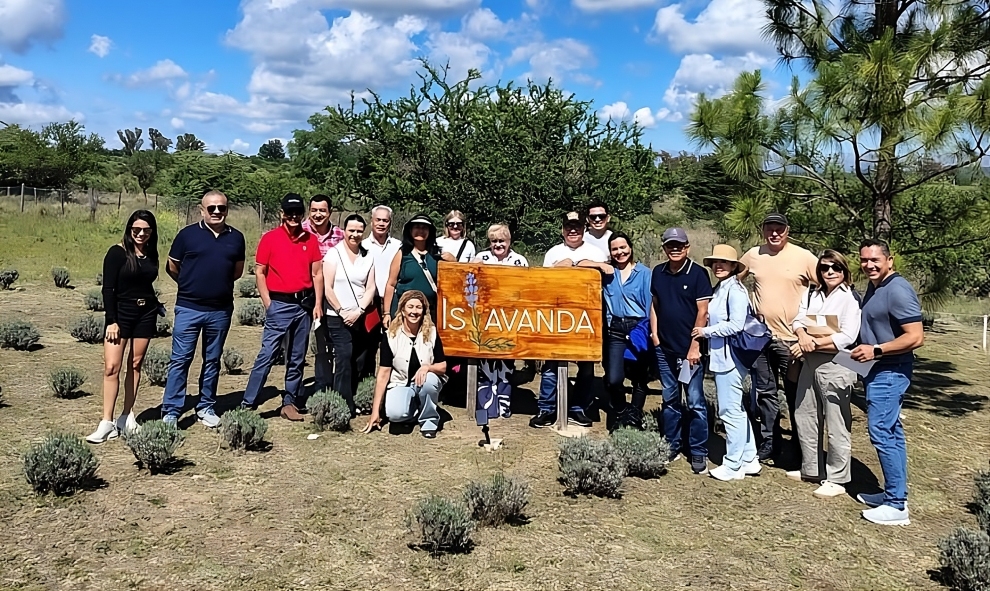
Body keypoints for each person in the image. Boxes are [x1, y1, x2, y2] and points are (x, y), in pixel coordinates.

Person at [851, 239, 924, 526]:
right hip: (877, 369)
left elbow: (915, 337)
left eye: (875, 260)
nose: (869, 265)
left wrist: (877, 350)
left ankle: (896, 506)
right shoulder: (875, 286)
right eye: (864, 260)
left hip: (890, 371)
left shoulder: (897, 289)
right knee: (891, 431)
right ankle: (894, 493)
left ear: (889, 260)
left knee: (881, 431)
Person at [161, 190, 246, 428]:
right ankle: (171, 410)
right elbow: (172, 266)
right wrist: (190, 285)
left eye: (222, 208)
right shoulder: (187, 235)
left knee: (212, 360)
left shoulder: (236, 238)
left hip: (220, 311)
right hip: (189, 309)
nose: (217, 211)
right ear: (202, 210)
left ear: (227, 210)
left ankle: (206, 406)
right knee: (180, 360)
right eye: (211, 208)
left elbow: (237, 271)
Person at [739, 212, 819, 463]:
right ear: (763, 230)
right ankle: (770, 442)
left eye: (779, 229)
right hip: (760, 339)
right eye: (769, 228)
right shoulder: (754, 255)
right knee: (766, 392)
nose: (774, 233)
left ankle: (800, 445)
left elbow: (827, 287)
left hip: (793, 341)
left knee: (797, 394)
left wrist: (810, 330)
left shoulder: (804, 257)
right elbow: (733, 278)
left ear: (787, 230)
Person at [241, 193, 324, 421]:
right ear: (282, 214)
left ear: (303, 215)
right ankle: (248, 403)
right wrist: (268, 303)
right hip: (279, 304)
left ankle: (289, 402)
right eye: (289, 213)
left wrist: (317, 303)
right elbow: (260, 272)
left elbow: (317, 273)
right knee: (267, 354)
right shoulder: (270, 238)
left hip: (303, 306)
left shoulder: (310, 240)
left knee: (297, 357)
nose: (293, 217)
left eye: (297, 213)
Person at [786, 249, 861, 497]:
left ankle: (837, 479)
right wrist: (803, 336)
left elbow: (847, 336)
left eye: (835, 267)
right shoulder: (812, 293)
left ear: (844, 270)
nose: (830, 272)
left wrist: (812, 343)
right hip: (809, 362)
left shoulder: (850, 298)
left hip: (836, 364)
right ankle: (812, 469)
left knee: (836, 421)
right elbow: (798, 320)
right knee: (805, 414)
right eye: (825, 267)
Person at [530, 211, 608, 429]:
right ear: (562, 230)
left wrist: (579, 264)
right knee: (551, 365)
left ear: (584, 228)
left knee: (586, 366)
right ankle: (546, 409)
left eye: (577, 227)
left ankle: (578, 408)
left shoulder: (595, 252)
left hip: (586, 317)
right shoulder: (553, 252)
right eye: (568, 227)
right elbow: (543, 282)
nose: (573, 231)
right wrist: (560, 266)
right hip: (557, 316)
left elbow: (603, 277)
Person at [86, 210, 160, 443]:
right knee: (111, 367)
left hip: (145, 314)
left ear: (152, 232)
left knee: (135, 364)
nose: (141, 234)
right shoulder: (116, 253)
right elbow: (108, 289)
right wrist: (112, 320)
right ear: (129, 229)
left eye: (146, 230)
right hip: (121, 315)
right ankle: (106, 422)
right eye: (136, 229)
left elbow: (145, 284)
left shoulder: (151, 252)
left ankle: (126, 416)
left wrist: (156, 305)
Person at [692, 245, 761, 481]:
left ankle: (733, 465)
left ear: (733, 266)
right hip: (723, 356)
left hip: (730, 358)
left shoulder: (736, 291)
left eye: (724, 262)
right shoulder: (722, 288)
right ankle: (749, 459)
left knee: (729, 411)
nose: (718, 266)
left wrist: (705, 331)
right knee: (735, 409)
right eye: (715, 262)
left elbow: (736, 325)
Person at [650, 227, 713, 475]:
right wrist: (655, 336)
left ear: (687, 247)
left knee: (695, 402)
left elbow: (703, 312)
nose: (674, 249)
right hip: (665, 349)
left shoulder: (698, 274)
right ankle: (672, 446)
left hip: (690, 352)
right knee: (670, 400)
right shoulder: (658, 272)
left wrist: (694, 346)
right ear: (664, 248)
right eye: (670, 245)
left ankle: (698, 451)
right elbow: (655, 305)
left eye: (679, 245)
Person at [585, 233, 651, 430]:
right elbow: (580, 264)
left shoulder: (644, 273)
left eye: (623, 247)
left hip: (638, 326)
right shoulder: (607, 273)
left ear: (630, 248)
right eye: (615, 249)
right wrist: (599, 264)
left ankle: (634, 416)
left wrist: (649, 331)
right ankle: (621, 411)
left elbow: (650, 306)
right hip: (615, 329)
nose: (620, 252)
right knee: (613, 379)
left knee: (639, 377)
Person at [362, 290, 447, 438]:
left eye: (418, 307)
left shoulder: (431, 333)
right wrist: (375, 412)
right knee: (395, 415)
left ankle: (429, 421)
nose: (414, 311)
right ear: (402, 310)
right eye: (410, 307)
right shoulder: (390, 336)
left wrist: (427, 367)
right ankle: (419, 409)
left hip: (425, 381)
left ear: (424, 311)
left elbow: (443, 366)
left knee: (429, 381)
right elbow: (383, 374)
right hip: (400, 383)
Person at [472, 224, 529, 418]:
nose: (498, 244)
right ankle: (486, 408)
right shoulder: (482, 257)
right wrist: (474, 265)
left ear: (509, 241)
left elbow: (526, 287)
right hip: (485, 319)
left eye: (502, 241)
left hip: (510, 318)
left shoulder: (519, 261)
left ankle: (504, 407)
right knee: (485, 364)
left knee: (506, 364)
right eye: (494, 241)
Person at [323, 214, 377, 415]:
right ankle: (342, 404)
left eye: (359, 231)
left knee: (360, 359)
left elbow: (370, 287)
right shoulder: (333, 254)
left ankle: (357, 396)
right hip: (337, 316)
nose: (355, 234)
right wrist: (341, 311)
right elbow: (328, 288)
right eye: (351, 230)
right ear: (344, 231)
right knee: (344, 358)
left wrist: (359, 310)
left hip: (360, 316)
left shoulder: (368, 256)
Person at [301, 194, 344, 392]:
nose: (318, 215)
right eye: (314, 210)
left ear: (330, 212)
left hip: (331, 295)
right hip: (303, 294)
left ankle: (324, 382)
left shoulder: (340, 235)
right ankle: (295, 388)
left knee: (325, 341)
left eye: (322, 211)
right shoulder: (300, 231)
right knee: (298, 344)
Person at [361, 205, 401, 372]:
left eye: (385, 220)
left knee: (391, 341)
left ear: (390, 223)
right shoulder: (362, 245)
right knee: (367, 343)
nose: (381, 224)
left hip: (391, 300)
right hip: (369, 301)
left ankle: (390, 376)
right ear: (372, 221)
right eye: (378, 220)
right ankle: (366, 377)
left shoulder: (398, 246)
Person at [383, 213, 442, 324]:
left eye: (424, 228)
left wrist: (453, 259)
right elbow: (391, 284)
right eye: (417, 227)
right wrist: (386, 313)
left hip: (429, 312)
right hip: (403, 311)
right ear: (410, 230)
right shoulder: (402, 253)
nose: (420, 230)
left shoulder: (437, 255)